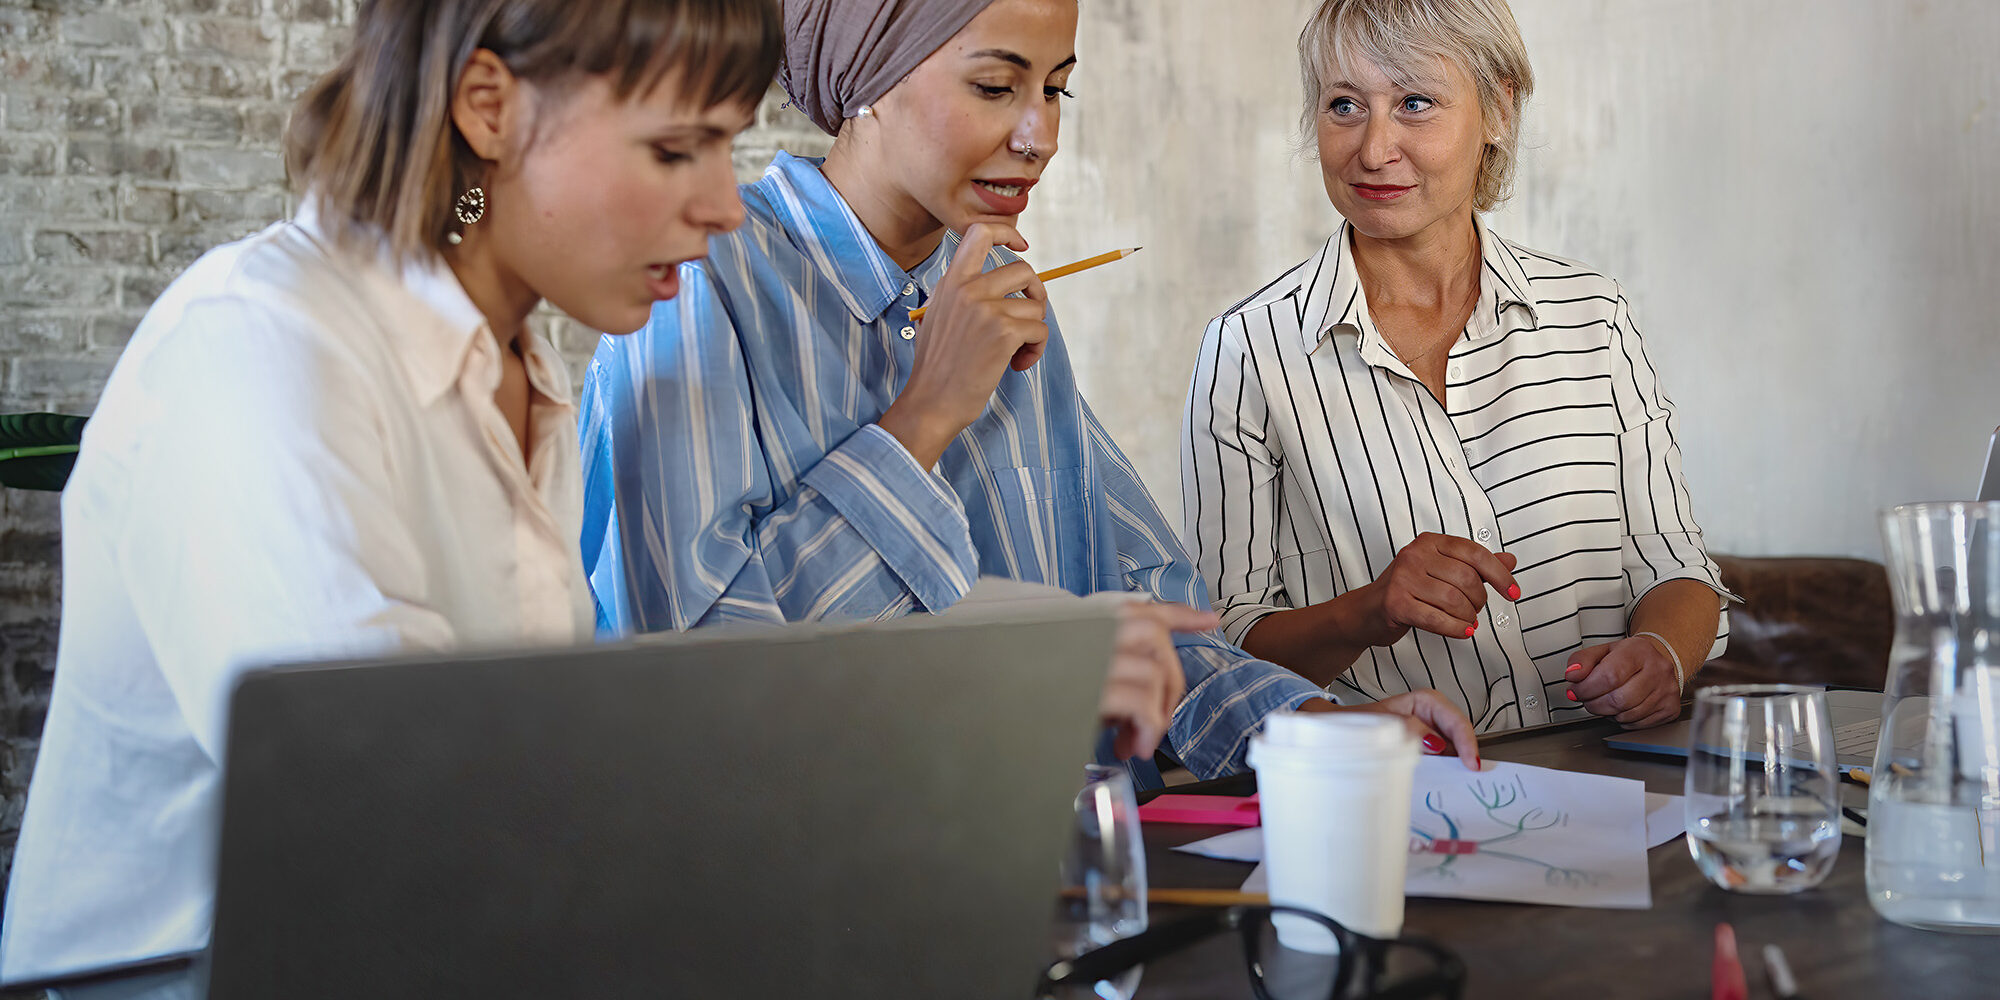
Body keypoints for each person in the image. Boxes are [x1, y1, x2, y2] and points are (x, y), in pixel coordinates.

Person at [0, 1, 781, 994]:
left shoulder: (521, 371)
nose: (726, 204)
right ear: (487, 108)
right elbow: (388, 823)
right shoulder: (261, 348)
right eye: (678, 150)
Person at [578, 0, 1483, 786]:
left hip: (1074, 879)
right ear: (868, 78)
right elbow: (700, 682)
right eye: (994, 86)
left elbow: (1146, 619)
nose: (1040, 135)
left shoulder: (997, 289)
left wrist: (1320, 730)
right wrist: (927, 414)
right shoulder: (700, 283)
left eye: (1056, 88)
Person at [1182, 0, 1732, 737]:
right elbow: (1226, 647)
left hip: (1602, 774)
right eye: (1344, 105)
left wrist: (1662, 655)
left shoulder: (1594, 316)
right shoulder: (1247, 350)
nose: (1374, 149)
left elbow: (1677, 565)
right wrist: (1369, 609)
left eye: (1415, 103)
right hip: (1397, 795)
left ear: (1498, 108)